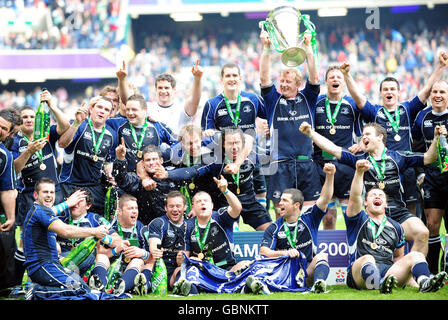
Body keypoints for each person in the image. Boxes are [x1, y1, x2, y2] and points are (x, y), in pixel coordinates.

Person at [299, 121, 445, 255]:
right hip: (372, 216)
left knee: (422, 232)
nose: (363, 138)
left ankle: (416, 273)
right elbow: (332, 148)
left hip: (398, 212)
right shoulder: (359, 159)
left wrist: (436, 138)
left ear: (380, 137)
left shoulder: (398, 157)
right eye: (362, 135)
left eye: (367, 134)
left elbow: (429, 158)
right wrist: (310, 133)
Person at [340, 52, 447, 216]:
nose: (389, 92)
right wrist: (347, 75)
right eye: (385, 90)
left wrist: (441, 66)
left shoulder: (407, 108)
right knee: (380, 209)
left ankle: (409, 242)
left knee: (410, 210)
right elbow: (359, 98)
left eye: (392, 89)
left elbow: (426, 90)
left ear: (399, 92)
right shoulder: (375, 112)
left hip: (406, 165)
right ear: (381, 93)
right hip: (383, 168)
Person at [344, 159, 447, 293]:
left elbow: (398, 258)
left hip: (388, 273)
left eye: (381, 195)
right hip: (359, 273)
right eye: (373, 195)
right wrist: (359, 173)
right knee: (368, 258)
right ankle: (378, 283)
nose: (377, 196)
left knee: (416, 255)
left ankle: (424, 282)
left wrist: (408, 279)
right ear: (365, 203)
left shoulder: (397, 227)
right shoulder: (358, 219)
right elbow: (355, 196)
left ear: (386, 204)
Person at [154, 128, 272, 231]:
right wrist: (168, 174)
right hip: (225, 204)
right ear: (224, 144)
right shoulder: (215, 158)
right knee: (233, 235)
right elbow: (192, 171)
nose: (235, 147)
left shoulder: (253, 154)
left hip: (249, 201)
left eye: (237, 143)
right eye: (230, 143)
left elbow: (276, 157)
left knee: (269, 231)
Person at [259, 28, 321, 219]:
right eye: (282, 81)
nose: (283, 84)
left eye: (288, 82)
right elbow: (263, 78)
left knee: (310, 213)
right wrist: (267, 48)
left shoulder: (308, 98)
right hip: (281, 164)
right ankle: (282, 247)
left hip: (306, 164)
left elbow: (315, 77)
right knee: (281, 213)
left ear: (298, 84)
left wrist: (308, 48)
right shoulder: (273, 100)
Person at [22, 178, 109, 300]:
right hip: (43, 267)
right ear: (36, 195)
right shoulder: (40, 211)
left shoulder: (44, 212)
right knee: (80, 290)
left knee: (85, 289)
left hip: (51, 266)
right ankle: (36, 292)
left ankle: (37, 287)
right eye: (45, 192)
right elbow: (65, 231)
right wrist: (95, 231)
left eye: (52, 192)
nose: (49, 196)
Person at [258, 163, 336, 293]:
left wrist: (330, 175)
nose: (280, 203)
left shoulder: (309, 219)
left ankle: (318, 285)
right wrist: (285, 253)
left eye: (285, 200)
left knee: (322, 255)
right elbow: (264, 251)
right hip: (284, 274)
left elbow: (325, 198)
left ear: (296, 205)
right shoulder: (274, 227)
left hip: (306, 272)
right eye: (280, 200)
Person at [200, 63, 267, 203]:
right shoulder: (212, 104)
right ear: (221, 79)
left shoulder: (252, 99)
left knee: (261, 196)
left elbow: (271, 117)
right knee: (227, 199)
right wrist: (210, 134)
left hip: (251, 154)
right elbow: (207, 133)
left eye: (235, 75)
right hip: (226, 159)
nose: (232, 79)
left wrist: (269, 130)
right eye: (228, 76)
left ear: (240, 78)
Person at [172, 176, 246, 296]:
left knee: (245, 265)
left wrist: (226, 191)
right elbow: (182, 260)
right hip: (203, 270)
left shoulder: (221, 216)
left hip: (226, 269)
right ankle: (191, 290)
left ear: (211, 205)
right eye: (198, 201)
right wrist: (186, 260)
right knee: (179, 271)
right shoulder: (186, 226)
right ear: (193, 208)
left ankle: (246, 286)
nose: (202, 203)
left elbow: (237, 209)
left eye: (205, 201)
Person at [12, 90, 71, 228]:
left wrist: (52, 105)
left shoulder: (45, 132)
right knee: (30, 236)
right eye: (24, 117)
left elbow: (65, 126)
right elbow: (14, 169)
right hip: (30, 195)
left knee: (58, 234)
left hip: (54, 192)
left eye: (32, 116)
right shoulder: (14, 142)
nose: (29, 120)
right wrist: (29, 151)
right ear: (19, 122)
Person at [313, 65, 362, 229]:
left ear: (343, 82)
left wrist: (360, 144)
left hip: (346, 165)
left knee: (350, 215)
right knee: (328, 217)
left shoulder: (352, 104)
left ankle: (352, 251)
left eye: (338, 77)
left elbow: (361, 134)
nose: (335, 79)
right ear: (325, 81)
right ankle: (329, 254)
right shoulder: (316, 103)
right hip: (322, 164)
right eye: (331, 77)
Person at [58, 96, 118, 215]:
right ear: (91, 109)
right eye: (99, 107)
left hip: (94, 188)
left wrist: (109, 175)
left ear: (110, 115)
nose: (102, 111)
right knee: (68, 226)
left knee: (98, 224)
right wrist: (76, 123)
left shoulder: (112, 134)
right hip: (70, 184)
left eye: (106, 109)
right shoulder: (79, 125)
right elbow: (62, 144)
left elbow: (108, 162)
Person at [412, 79, 448, 274]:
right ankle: (434, 271)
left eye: (442, 91)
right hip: (432, 177)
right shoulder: (422, 117)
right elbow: (416, 147)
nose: (438, 95)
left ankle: (446, 265)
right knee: (432, 224)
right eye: (434, 91)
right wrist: (420, 174)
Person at [118, 61, 203, 137]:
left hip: (176, 151)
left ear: (174, 89)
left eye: (166, 88)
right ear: (155, 89)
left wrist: (197, 78)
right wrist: (122, 79)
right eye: (160, 88)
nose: (163, 91)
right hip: (152, 152)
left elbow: (195, 101)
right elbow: (128, 101)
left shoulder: (181, 108)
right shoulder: (148, 107)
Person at [89, 193, 148, 295]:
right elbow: (97, 252)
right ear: (119, 212)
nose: (134, 211)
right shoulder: (108, 227)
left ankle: (121, 286)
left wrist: (142, 253)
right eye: (130, 208)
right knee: (101, 257)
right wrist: (115, 250)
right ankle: (99, 285)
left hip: (129, 271)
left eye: (136, 208)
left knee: (139, 261)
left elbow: (154, 257)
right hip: (109, 269)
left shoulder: (142, 229)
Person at [113, 141, 181, 225]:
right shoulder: (137, 178)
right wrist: (120, 159)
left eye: (154, 159)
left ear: (161, 160)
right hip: (144, 226)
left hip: (168, 224)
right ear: (143, 163)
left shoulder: (172, 176)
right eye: (148, 160)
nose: (151, 163)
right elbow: (121, 180)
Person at [141, 191, 189, 293]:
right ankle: (144, 284)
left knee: (183, 270)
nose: (175, 209)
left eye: (178, 206)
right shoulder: (159, 223)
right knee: (150, 263)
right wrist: (156, 250)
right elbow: (154, 243)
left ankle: (183, 286)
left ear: (185, 207)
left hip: (177, 268)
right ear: (165, 208)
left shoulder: (190, 225)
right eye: (171, 206)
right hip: (158, 266)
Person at [115, 94, 177, 173]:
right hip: (129, 179)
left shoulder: (157, 126)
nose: (130, 113)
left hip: (153, 179)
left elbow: (178, 143)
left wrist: (163, 157)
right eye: (127, 109)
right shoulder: (119, 125)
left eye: (134, 109)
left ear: (144, 110)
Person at [57, 187, 111, 276]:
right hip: (63, 259)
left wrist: (101, 236)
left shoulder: (96, 219)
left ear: (88, 205)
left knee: (103, 258)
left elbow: (115, 239)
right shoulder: (60, 218)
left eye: (80, 201)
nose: (75, 203)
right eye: (74, 200)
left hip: (87, 261)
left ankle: (98, 285)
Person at [0, 109, 19, 293]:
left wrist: (11, 217)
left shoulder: (4, 155)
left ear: (9, 133)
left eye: (3, 128)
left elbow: (7, 189)